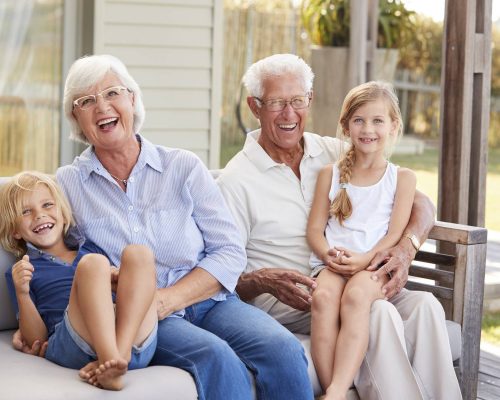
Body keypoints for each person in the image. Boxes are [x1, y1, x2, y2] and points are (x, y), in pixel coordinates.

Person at [12, 54, 313, 400]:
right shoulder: (68, 184)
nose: (102, 107)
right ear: (76, 118)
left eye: (112, 93)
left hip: (211, 301)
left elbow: (229, 250)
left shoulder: (182, 166)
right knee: (216, 358)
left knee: (284, 349)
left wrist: (169, 299)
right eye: (87, 101)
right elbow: (48, 243)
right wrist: (31, 321)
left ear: (132, 100)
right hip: (140, 316)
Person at [217, 53, 462, 400]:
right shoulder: (235, 182)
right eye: (276, 103)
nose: (289, 114)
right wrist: (263, 281)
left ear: (310, 101)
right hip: (296, 301)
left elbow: (419, 202)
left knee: (425, 307)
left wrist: (406, 248)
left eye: (297, 101)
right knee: (378, 315)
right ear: (255, 107)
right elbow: (224, 277)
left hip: (361, 271)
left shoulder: (331, 150)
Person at [307, 81, 417, 399]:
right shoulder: (331, 174)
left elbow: (394, 235)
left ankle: (337, 390)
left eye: (377, 120)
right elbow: (315, 230)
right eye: (359, 120)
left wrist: (364, 259)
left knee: (356, 298)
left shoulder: (402, 179)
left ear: (394, 125)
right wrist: (329, 255)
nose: (368, 129)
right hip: (334, 262)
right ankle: (335, 389)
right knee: (324, 298)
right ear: (346, 126)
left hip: (373, 264)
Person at [0, 171, 158, 391]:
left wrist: (117, 280)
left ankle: (116, 360)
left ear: (64, 215)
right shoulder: (22, 270)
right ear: (15, 230)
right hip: (74, 341)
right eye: (26, 211)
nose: (39, 215)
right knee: (93, 264)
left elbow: (129, 292)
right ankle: (110, 358)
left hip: (130, 340)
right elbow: (37, 339)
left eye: (47, 205)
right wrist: (22, 292)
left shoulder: (90, 248)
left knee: (139, 254)